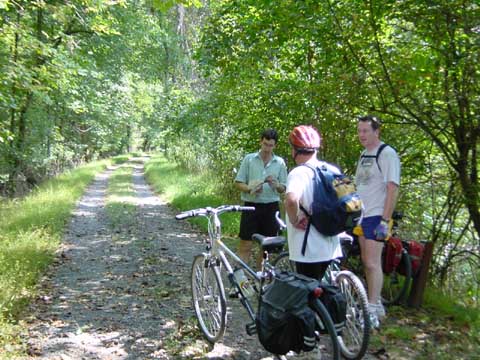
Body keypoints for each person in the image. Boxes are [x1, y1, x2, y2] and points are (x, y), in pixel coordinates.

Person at [354, 115, 401, 327]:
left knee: (373, 263)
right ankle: (377, 305)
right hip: (362, 215)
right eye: (359, 131)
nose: (362, 135)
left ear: (376, 131)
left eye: (366, 130)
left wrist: (385, 220)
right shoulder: (364, 154)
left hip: (377, 216)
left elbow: (392, 188)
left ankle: (371, 310)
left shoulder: (387, 154)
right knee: (367, 262)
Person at [284, 125, 343, 281]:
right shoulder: (333, 170)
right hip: (332, 245)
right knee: (325, 290)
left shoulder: (298, 173)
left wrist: (294, 219)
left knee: (309, 294)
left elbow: (291, 200)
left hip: (308, 249)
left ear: (295, 150)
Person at [235, 128, 287, 269]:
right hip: (251, 206)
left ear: (275, 145)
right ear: (261, 142)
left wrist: (276, 185)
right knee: (245, 244)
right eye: (265, 144)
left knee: (266, 248)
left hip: (271, 208)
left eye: (270, 145)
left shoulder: (280, 162)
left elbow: (284, 188)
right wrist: (250, 188)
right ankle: (240, 282)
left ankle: (260, 282)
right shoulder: (249, 159)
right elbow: (238, 182)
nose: (267, 148)